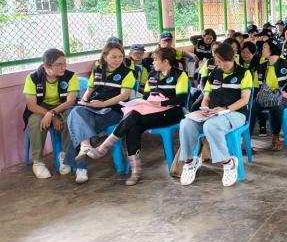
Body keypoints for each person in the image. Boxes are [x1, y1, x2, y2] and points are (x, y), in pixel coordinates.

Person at [78, 47, 189, 186]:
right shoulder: (153, 74)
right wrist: (144, 101)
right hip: (152, 111)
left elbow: (181, 100)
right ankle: (136, 171)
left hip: (172, 113)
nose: (153, 62)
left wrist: (161, 102)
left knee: (134, 117)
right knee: (133, 125)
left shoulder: (180, 75)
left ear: (165, 61)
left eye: (155, 59)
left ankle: (103, 148)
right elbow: (147, 96)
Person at [179, 43, 253, 186]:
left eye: (224, 61)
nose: (221, 65)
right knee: (186, 123)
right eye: (218, 62)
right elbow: (206, 97)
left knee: (211, 126)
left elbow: (245, 100)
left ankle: (228, 162)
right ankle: (190, 161)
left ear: (232, 58)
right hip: (213, 113)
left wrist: (225, 109)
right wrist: (205, 107)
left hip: (235, 113)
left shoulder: (244, 73)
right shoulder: (214, 74)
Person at [67, 42, 136, 184]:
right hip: (94, 107)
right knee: (76, 111)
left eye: (120, 56)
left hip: (114, 110)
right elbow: (90, 89)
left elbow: (124, 95)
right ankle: (86, 146)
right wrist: (85, 99)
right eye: (113, 57)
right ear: (105, 57)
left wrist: (103, 104)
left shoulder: (127, 73)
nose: (118, 60)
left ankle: (81, 167)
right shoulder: (97, 70)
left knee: (81, 125)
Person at [23, 49, 80, 179]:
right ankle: (38, 162)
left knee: (71, 117)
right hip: (41, 108)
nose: (63, 67)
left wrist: (52, 113)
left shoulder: (71, 76)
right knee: (35, 121)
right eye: (58, 64)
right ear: (46, 65)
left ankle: (65, 157)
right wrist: (52, 116)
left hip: (63, 106)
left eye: (64, 63)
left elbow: (70, 101)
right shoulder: (33, 78)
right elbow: (31, 105)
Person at [252, 40, 287, 151]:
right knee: (252, 106)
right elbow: (255, 87)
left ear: (272, 49)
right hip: (266, 96)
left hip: (284, 96)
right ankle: (247, 138)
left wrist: (286, 92)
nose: (262, 50)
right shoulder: (261, 67)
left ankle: (276, 136)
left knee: (277, 106)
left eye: (264, 47)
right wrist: (258, 97)